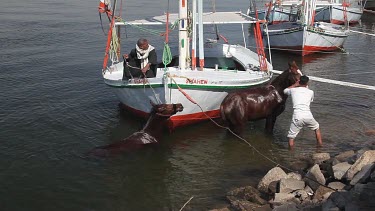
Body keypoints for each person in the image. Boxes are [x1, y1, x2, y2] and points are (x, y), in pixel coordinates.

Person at [283, 75, 322, 149]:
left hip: (297, 117)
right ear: (307, 83)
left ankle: (291, 154)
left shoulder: (293, 90)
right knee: (317, 128)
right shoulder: (311, 92)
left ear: (299, 81)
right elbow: (310, 99)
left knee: (291, 137)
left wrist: (294, 85)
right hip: (308, 116)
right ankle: (320, 147)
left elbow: (285, 91)